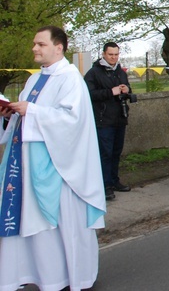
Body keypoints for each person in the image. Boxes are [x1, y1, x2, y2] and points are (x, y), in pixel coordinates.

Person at [0, 25, 106, 291]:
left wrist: (32, 112)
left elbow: (72, 121)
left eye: (41, 44)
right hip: (26, 164)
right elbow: (29, 115)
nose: (35, 48)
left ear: (59, 48)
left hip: (59, 169)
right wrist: (11, 115)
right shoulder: (34, 79)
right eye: (34, 44)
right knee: (29, 222)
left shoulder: (71, 79)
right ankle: (33, 274)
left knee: (57, 225)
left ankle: (66, 277)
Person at [84, 41, 134, 201]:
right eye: (110, 54)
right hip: (103, 119)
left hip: (120, 117)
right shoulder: (93, 73)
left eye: (116, 54)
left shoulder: (120, 71)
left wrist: (127, 90)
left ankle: (114, 180)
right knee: (104, 153)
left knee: (116, 152)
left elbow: (127, 89)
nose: (113, 57)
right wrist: (109, 92)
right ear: (104, 54)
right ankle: (104, 185)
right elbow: (89, 94)